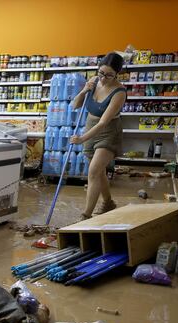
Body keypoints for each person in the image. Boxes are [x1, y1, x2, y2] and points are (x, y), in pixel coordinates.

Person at [69, 52, 127, 219]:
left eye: (109, 75)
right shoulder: (94, 81)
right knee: (99, 172)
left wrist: (82, 139)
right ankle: (108, 202)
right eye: (101, 73)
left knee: (93, 171)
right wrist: (83, 91)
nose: (103, 78)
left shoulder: (119, 92)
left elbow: (103, 123)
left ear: (117, 74)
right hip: (90, 126)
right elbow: (75, 106)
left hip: (108, 132)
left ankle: (86, 215)